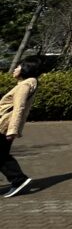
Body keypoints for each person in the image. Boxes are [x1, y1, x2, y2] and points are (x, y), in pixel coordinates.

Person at [0, 55, 42, 198]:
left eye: (18, 66)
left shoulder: (24, 86)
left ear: (26, 68)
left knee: (2, 156)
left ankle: (19, 179)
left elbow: (19, 108)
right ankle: (18, 179)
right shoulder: (29, 83)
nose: (14, 69)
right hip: (5, 125)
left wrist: (12, 130)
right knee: (1, 155)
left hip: (4, 126)